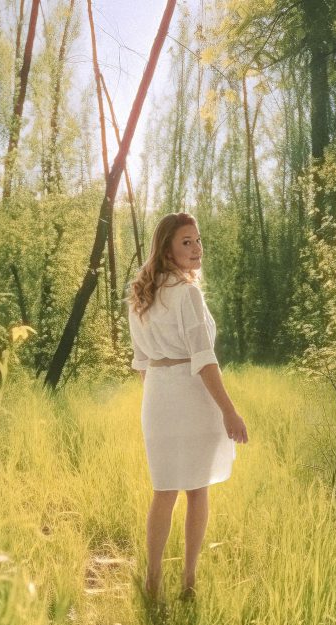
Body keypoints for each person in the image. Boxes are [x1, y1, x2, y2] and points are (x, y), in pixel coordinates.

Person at [128, 211, 249, 601]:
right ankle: (189, 580)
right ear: (166, 248)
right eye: (186, 242)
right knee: (196, 489)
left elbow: (142, 363)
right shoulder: (187, 293)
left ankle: (153, 579)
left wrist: (160, 401)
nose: (196, 248)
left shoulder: (140, 295)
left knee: (164, 489)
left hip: (158, 398)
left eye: (198, 240)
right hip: (193, 395)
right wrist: (229, 410)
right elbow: (203, 358)